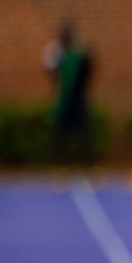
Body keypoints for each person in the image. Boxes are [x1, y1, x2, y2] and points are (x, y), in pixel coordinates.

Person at [43, 24, 95, 167]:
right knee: (60, 133)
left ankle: (87, 163)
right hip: (65, 100)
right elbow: (52, 74)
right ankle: (61, 163)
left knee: (84, 132)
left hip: (78, 99)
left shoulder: (78, 56)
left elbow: (88, 71)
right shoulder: (60, 57)